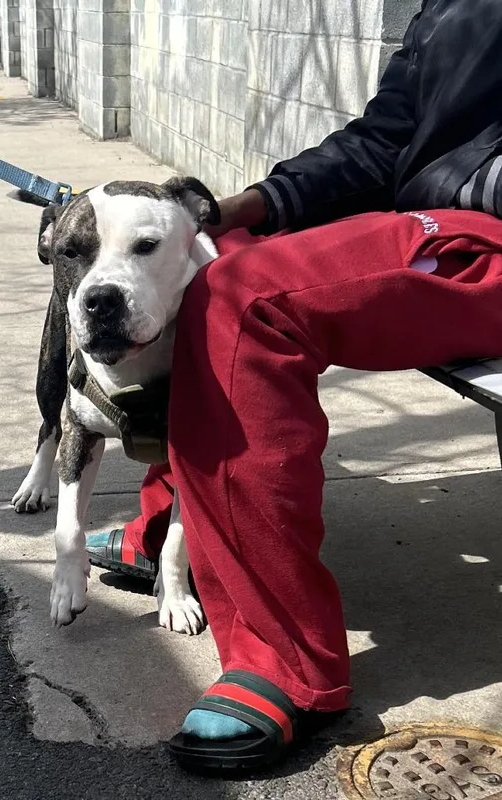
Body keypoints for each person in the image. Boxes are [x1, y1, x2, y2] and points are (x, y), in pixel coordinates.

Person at [85, 0, 502, 773]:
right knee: (208, 256)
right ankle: (167, 529)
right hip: (434, 222)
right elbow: (383, 142)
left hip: (483, 235)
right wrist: (244, 207)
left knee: (244, 299)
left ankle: (286, 661)